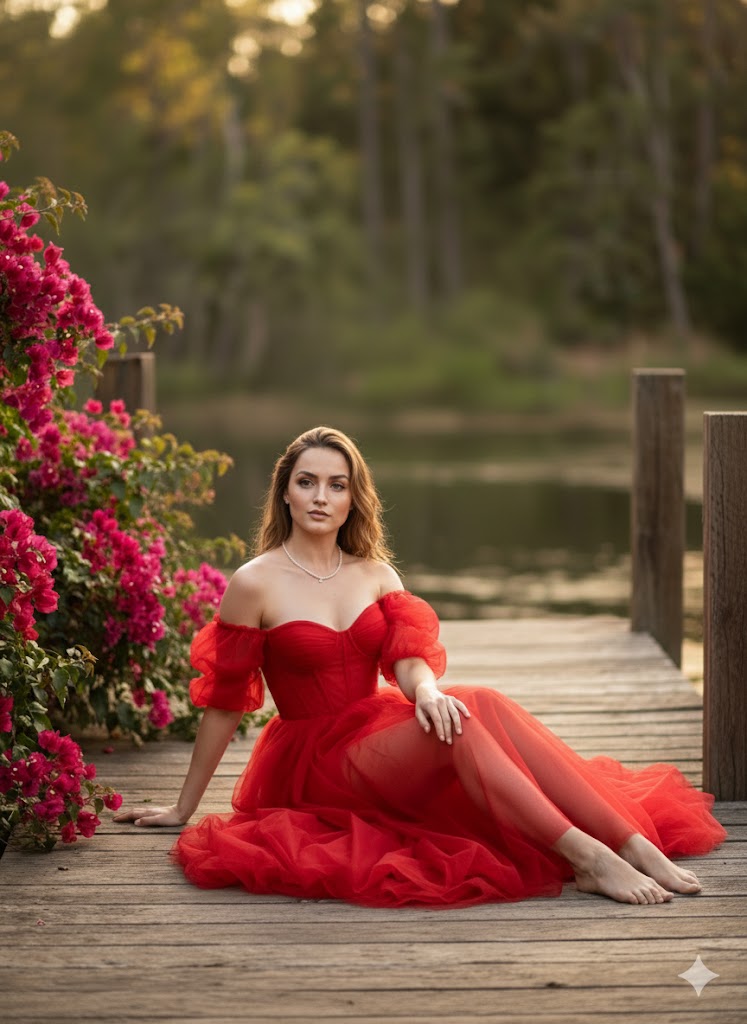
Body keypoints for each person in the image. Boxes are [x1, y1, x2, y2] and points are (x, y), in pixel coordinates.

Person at [114, 426, 726, 907]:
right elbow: (225, 702)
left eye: (336, 484)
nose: (321, 497)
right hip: (319, 765)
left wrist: (427, 690)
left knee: (471, 701)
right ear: (285, 491)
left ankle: (629, 843)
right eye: (307, 482)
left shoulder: (377, 573)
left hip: (378, 735)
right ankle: (590, 857)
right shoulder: (255, 583)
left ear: (355, 497)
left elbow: (407, 660)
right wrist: (183, 807)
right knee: (475, 710)